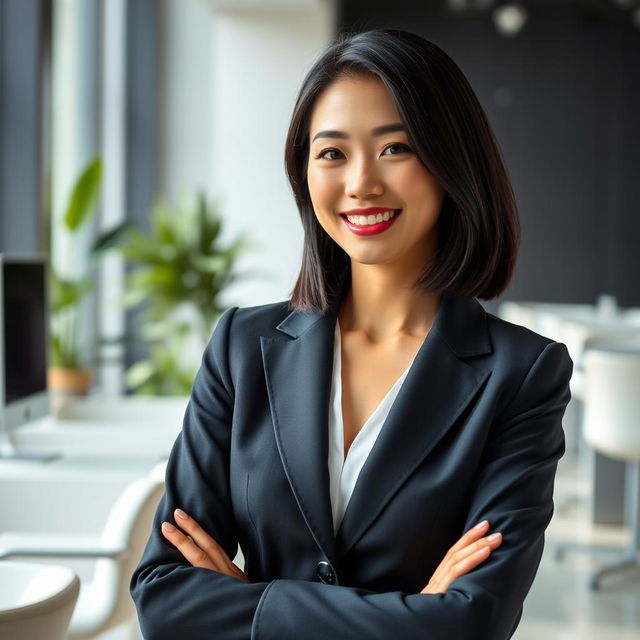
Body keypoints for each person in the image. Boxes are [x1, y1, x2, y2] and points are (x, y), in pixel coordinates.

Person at [130, 29, 573, 639]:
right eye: (332, 153)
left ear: (453, 162)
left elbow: (473, 623)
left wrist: (251, 604)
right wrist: (414, 613)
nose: (361, 182)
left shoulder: (523, 374)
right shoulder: (242, 345)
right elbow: (163, 596)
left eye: (396, 148)